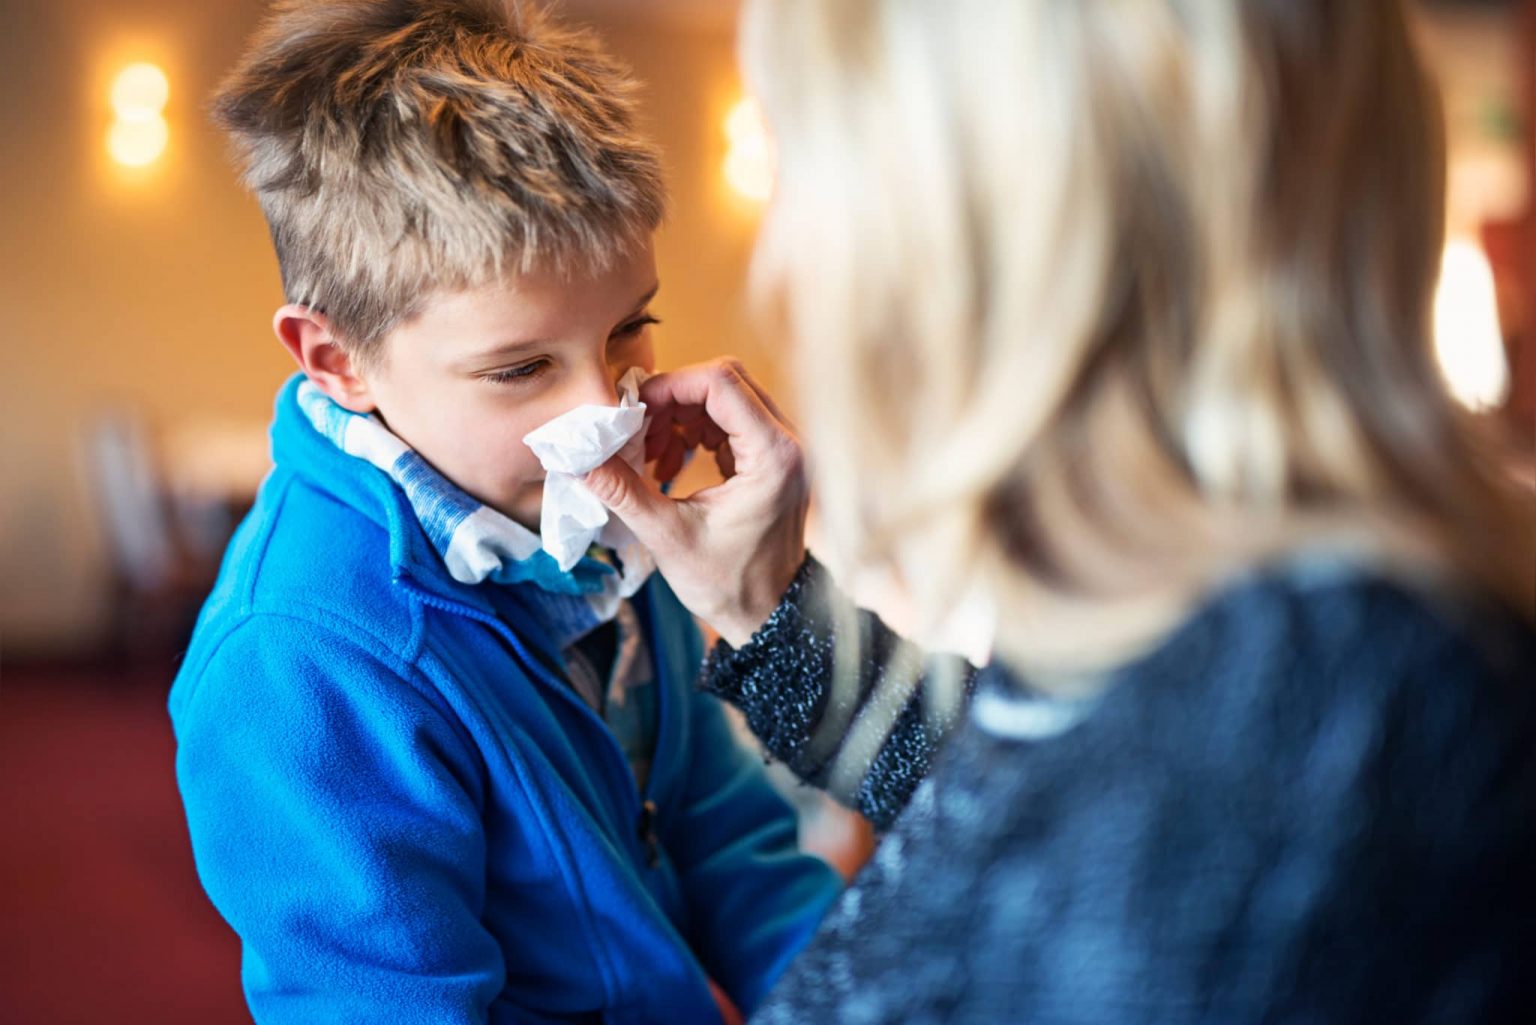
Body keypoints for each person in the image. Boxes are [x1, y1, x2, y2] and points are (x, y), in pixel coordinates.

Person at [581, 0, 1536, 1021]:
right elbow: (1019, 800)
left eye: (806, 166)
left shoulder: (1327, 740)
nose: (784, 259)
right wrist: (770, 603)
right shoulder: (1229, 633)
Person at [167, 3, 840, 1023]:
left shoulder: (614, 526)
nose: (604, 412)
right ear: (338, 360)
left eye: (629, 331)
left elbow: (729, 833)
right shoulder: (302, 657)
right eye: (521, 367)